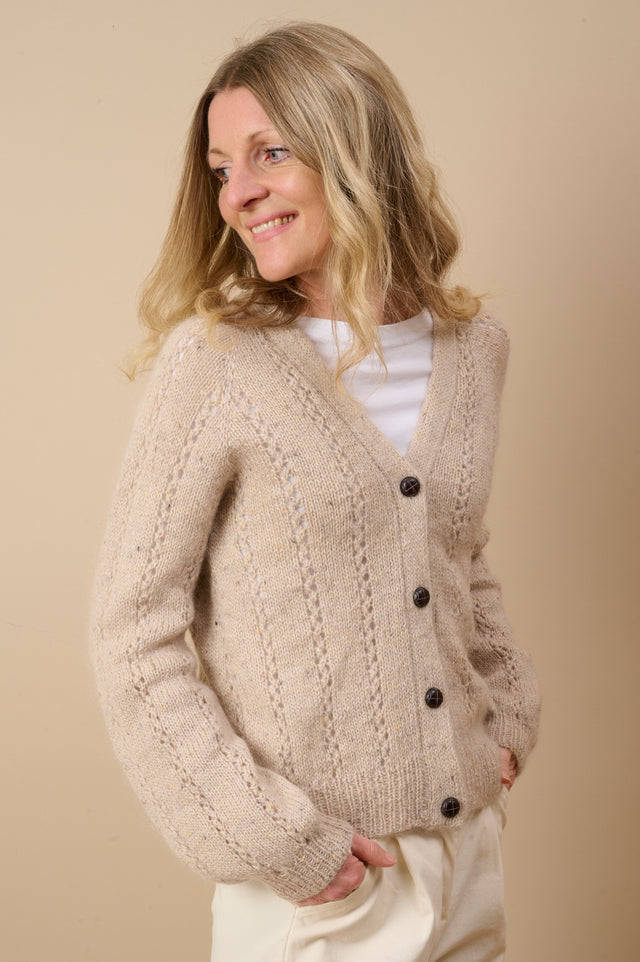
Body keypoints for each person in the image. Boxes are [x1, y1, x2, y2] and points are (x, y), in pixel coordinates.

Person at [91, 20, 541, 962]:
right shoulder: (217, 364)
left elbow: (458, 559)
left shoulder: (473, 352)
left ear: (355, 151)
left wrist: (506, 711)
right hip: (324, 888)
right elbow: (132, 633)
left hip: (469, 857)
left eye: (269, 153)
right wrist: (269, 838)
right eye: (221, 169)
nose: (238, 193)